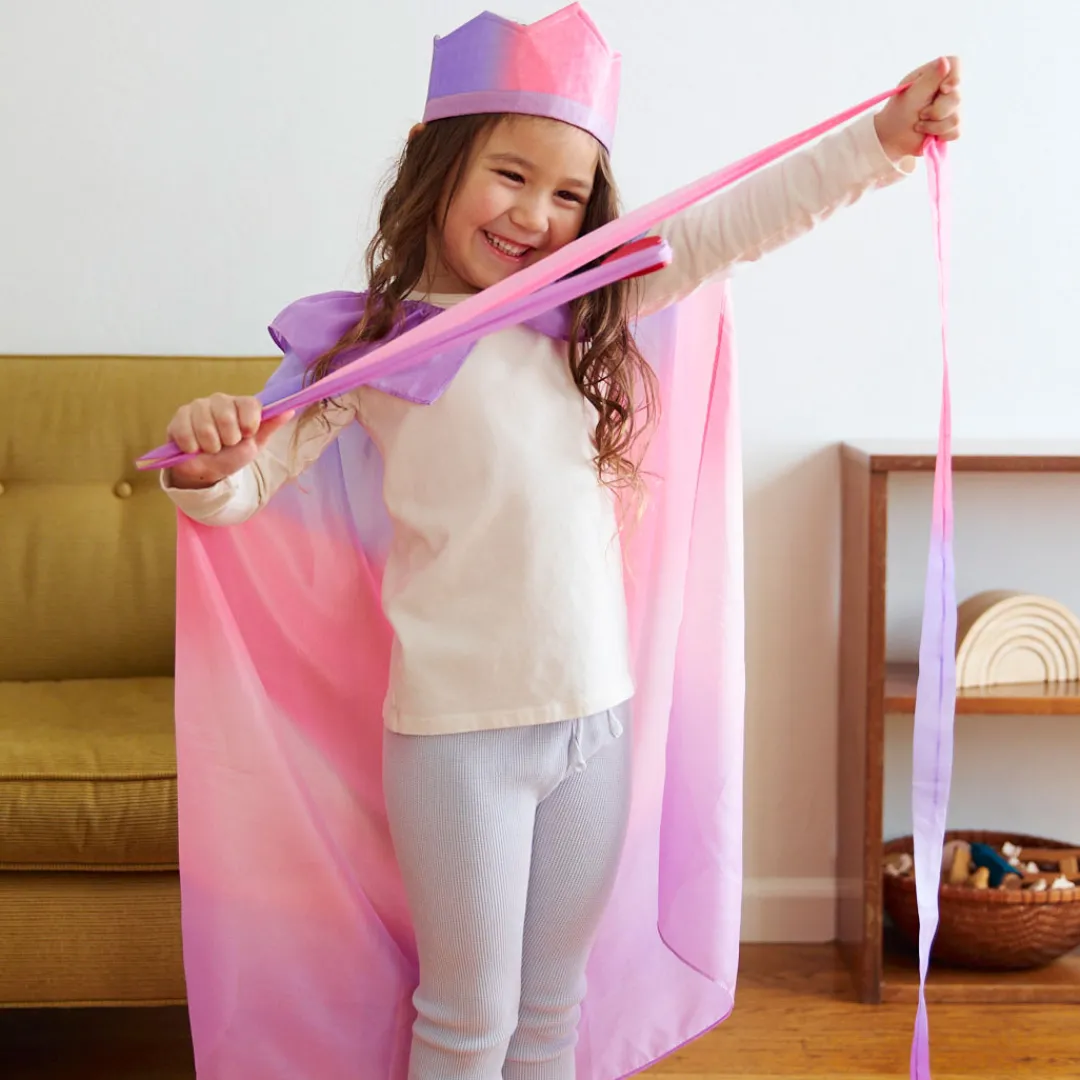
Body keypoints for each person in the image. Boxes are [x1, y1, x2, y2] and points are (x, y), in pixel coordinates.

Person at [158, 5, 961, 1078]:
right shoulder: (364, 349)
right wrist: (209, 461)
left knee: (552, 1015)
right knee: (466, 1017)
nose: (536, 215)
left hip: (595, 728)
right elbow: (247, 481)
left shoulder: (596, 306)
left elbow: (740, 219)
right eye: (510, 174)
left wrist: (885, 141)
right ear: (434, 158)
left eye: (568, 194)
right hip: (455, 742)